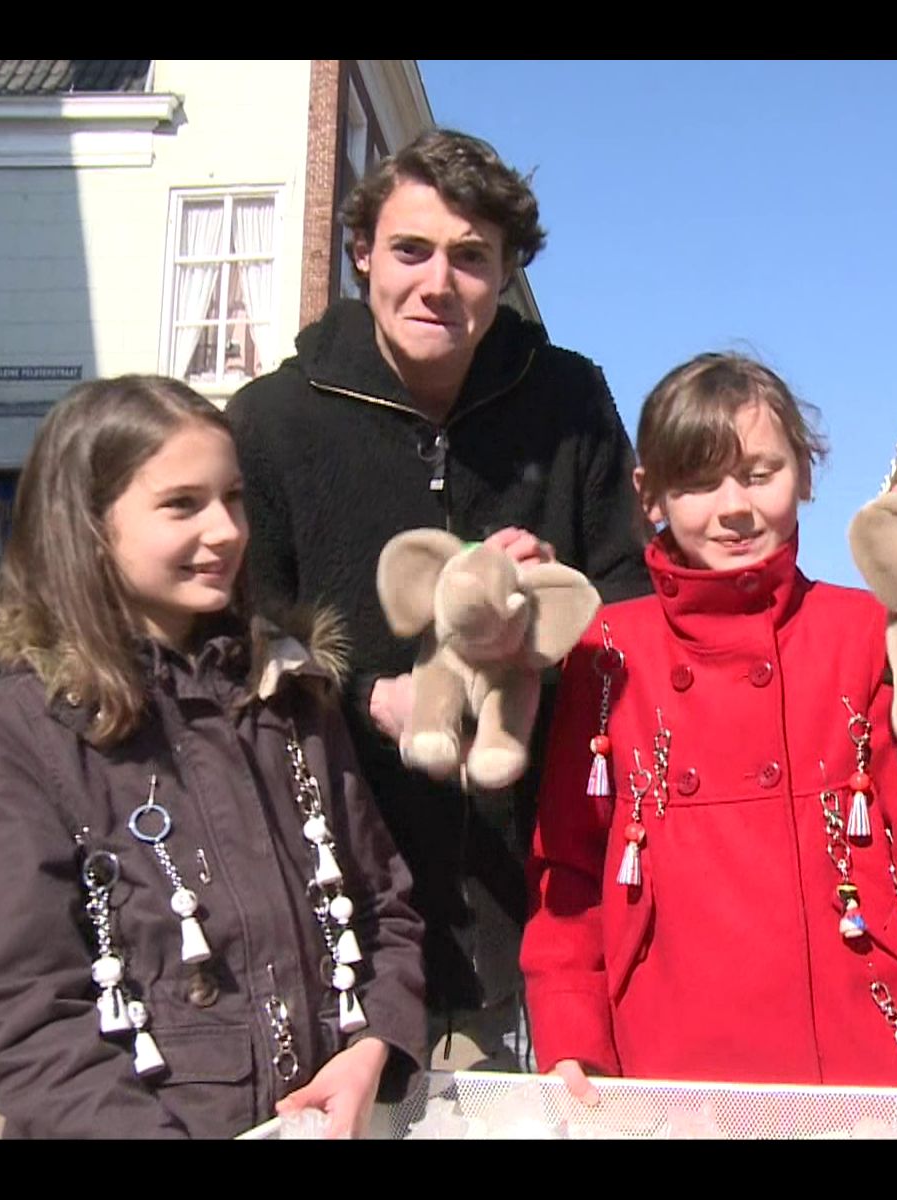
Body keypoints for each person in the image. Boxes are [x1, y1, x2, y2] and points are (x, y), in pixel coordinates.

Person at [521, 353, 897, 1138]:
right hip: (661, 1076)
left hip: (865, 1074)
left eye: (759, 474)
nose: (733, 508)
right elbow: (568, 874)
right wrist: (570, 1038)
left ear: (804, 473)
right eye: (699, 482)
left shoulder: (869, 636)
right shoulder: (605, 652)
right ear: (649, 495)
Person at [226, 130, 651, 1054]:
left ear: (506, 272)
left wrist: (546, 617)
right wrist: (364, 695)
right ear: (362, 254)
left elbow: (630, 596)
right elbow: (241, 637)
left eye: (470, 258)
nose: (438, 283)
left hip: (544, 896)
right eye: (411, 250)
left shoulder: (570, 399)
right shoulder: (271, 420)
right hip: (345, 901)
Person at [0, 376, 425, 1138]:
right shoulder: (23, 735)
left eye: (233, 499)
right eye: (182, 505)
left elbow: (382, 906)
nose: (226, 530)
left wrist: (375, 1045)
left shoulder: (292, 698)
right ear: (89, 525)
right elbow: (23, 1019)